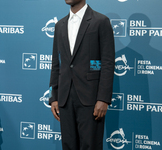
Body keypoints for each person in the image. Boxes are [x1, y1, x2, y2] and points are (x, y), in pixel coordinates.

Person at [49, 0, 115, 149]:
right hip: (65, 98)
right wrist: (54, 96)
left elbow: (107, 62)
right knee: (68, 145)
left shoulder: (100, 21)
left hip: (91, 98)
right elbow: (56, 63)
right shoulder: (59, 25)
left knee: (90, 145)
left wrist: (103, 98)